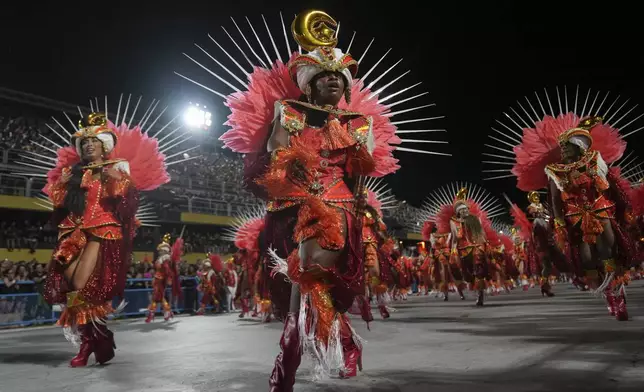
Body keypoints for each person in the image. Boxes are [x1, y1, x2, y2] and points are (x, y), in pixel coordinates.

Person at [39, 110, 169, 367]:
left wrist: (120, 182)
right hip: (74, 231)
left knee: (79, 283)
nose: (88, 145)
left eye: (93, 142)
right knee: (73, 285)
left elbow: (128, 204)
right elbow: (61, 206)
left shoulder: (116, 167)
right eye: (84, 142)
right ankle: (95, 338)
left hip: (102, 230)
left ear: (103, 146)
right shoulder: (75, 173)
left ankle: (87, 345)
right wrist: (62, 185)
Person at [145, 234, 182, 322]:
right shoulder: (162, 258)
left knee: (157, 297)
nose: (159, 251)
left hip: (161, 279)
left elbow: (167, 270)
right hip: (158, 279)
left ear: (164, 250)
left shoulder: (165, 258)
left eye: (160, 250)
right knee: (158, 297)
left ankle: (154, 313)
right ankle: (164, 312)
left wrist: (169, 278)